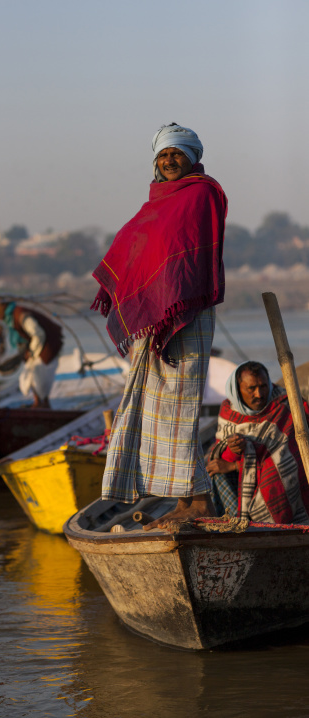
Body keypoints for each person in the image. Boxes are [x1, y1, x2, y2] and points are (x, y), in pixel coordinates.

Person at [91, 123, 228, 530]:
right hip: (155, 319)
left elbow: (184, 255)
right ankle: (188, 498)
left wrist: (165, 303)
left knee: (180, 406)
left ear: (193, 158)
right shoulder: (155, 202)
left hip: (185, 312)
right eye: (163, 155)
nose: (169, 160)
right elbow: (139, 250)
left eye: (177, 154)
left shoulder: (202, 193)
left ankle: (198, 501)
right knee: (155, 407)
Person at [207, 361, 309, 523]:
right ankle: (235, 521)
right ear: (237, 390)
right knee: (213, 471)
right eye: (251, 389)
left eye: (263, 386)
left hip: (286, 483)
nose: (259, 394)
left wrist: (236, 466)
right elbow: (223, 457)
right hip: (244, 484)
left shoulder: (288, 405)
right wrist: (235, 450)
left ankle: (271, 523)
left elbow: (290, 455)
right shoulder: (228, 412)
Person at [0, 301, 63, 408]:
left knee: (38, 377)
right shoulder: (14, 316)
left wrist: (32, 352)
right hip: (40, 348)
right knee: (32, 375)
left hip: (47, 347)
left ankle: (41, 404)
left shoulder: (21, 315)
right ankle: (39, 403)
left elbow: (38, 334)